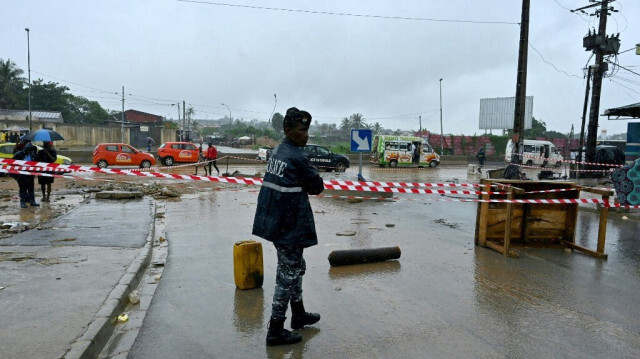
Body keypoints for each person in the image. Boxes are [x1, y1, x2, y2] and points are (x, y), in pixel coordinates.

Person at [252, 107, 324, 346]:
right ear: (289, 130)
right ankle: (275, 329)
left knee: (296, 268)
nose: (306, 135)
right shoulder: (296, 156)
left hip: (277, 222)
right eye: (302, 130)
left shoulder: (278, 151)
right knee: (288, 274)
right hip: (289, 225)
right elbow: (316, 187)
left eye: (307, 130)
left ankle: (299, 313)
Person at [12, 142, 39, 208]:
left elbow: (36, 162)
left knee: (31, 188)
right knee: (23, 189)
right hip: (21, 175)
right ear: (25, 149)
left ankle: (32, 201)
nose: (29, 151)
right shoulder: (18, 154)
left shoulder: (32, 154)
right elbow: (12, 164)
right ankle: (22, 202)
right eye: (29, 150)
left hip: (30, 174)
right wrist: (16, 175)